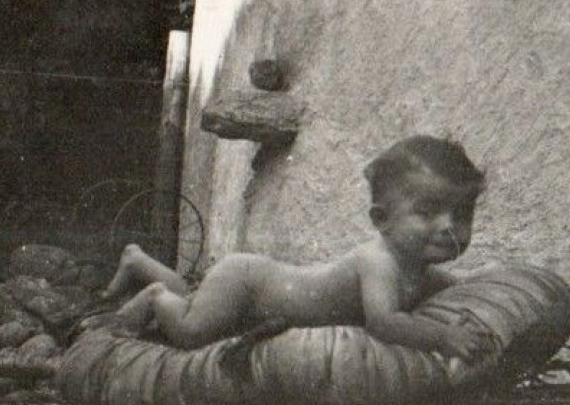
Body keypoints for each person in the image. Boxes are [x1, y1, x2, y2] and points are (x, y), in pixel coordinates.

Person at [103, 135, 494, 369]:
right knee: (191, 332)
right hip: (248, 284)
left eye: (461, 214)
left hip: (259, 283)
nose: (448, 227)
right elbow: (384, 322)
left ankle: (141, 261)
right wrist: (444, 337)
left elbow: (458, 291)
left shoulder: (419, 268)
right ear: (381, 220)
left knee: (195, 304)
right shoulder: (379, 262)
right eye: (426, 212)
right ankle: (154, 296)